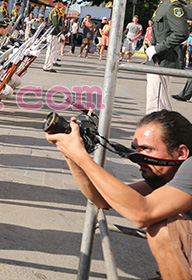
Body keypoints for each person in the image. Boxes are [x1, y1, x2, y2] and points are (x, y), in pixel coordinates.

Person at [46, 110, 192, 280]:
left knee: (164, 231)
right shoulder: (166, 173)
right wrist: (70, 153)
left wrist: (82, 157)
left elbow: (142, 214)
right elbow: (103, 199)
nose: (137, 157)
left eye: (147, 149)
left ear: (181, 153)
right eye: (136, 149)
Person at [146, 0, 190, 114]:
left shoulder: (172, 6)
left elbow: (181, 33)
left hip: (163, 60)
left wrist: (158, 49)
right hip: (157, 59)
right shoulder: (163, 5)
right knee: (153, 100)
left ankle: (159, 128)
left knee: (157, 103)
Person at [42, 0, 65, 73]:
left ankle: (49, 65)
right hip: (52, 33)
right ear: (57, 3)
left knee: (53, 50)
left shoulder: (57, 11)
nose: (62, 4)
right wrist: (60, 33)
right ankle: (47, 66)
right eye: (61, 3)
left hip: (55, 33)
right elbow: (55, 24)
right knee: (50, 50)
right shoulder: (54, 11)